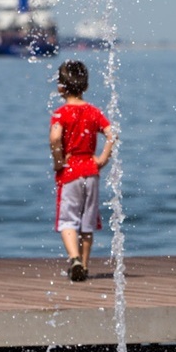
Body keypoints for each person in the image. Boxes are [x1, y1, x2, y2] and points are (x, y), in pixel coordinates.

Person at [49, 60, 116, 282]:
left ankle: (75, 259)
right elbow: (112, 134)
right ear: (85, 86)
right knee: (87, 223)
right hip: (91, 172)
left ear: (60, 87)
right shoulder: (94, 112)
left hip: (70, 174)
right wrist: (103, 158)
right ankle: (85, 267)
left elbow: (55, 138)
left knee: (68, 221)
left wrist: (59, 161)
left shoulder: (61, 114)